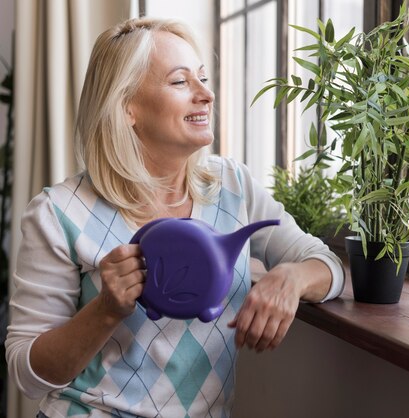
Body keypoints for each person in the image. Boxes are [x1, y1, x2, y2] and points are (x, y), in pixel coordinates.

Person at [5, 17, 344, 417]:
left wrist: (291, 278)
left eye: (202, 78)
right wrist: (105, 310)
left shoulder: (234, 186)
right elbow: (28, 376)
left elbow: (329, 267)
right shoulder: (58, 212)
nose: (206, 94)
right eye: (181, 82)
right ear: (127, 107)